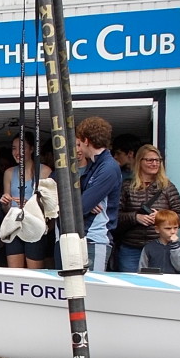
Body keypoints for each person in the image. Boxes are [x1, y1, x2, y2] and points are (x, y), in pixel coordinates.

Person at [115, 144, 180, 272]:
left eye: (157, 160)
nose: (154, 163)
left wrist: (161, 217)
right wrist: (136, 217)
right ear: (139, 162)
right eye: (149, 160)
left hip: (160, 247)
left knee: (160, 289)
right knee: (130, 287)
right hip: (131, 247)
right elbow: (114, 216)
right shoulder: (127, 186)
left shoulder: (167, 187)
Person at [74, 117, 121, 273]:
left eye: (79, 143)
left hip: (97, 238)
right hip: (87, 237)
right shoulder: (97, 165)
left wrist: (84, 200)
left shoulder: (108, 167)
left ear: (86, 141)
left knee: (92, 291)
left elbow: (81, 205)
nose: (78, 149)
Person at [0, 135, 53, 269]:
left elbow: (51, 207)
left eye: (22, 148)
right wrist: (5, 203)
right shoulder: (9, 173)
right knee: (15, 274)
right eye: (14, 148)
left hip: (35, 226)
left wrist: (30, 205)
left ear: (32, 149)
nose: (17, 153)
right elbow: (7, 209)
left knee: (35, 275)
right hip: (14, 225)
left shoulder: (45, 171)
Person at [139, 209, 180, 273]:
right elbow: (142, 270)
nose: (173, 232)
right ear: (157, 229)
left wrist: (175, 247)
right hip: (154, 282)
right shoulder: (149, 248)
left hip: (173, 282)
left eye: (175, 228)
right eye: (168, 228)